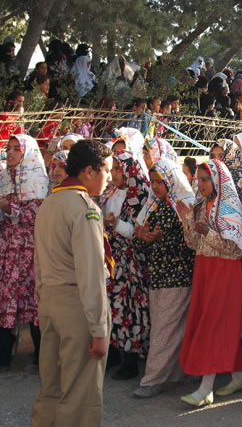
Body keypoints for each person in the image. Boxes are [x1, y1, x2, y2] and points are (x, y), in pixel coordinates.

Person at [32, 140, 113, 427]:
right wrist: (99, 328)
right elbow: (90, 274)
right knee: (80, 392)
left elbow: (39, 265)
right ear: (89, 172)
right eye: (106, 170)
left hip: (51, 302)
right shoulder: (84, 209)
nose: (109, 178)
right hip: (77, 305)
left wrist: (45, 303)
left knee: (51, 388)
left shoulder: (50, 203)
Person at [177, 159, 242, 407]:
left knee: (213, 324)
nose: (199, 185)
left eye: (204, 179)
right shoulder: (202, 206)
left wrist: (206, 232)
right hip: (205, 270)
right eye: (197, 180)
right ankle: (237, 377)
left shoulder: (230, 208)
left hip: (225, 273)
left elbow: (233, 247)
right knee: (213, 322)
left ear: (216, 180)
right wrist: (188, 220)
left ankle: (205, 388)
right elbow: (192, 243)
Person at [0, 134, 48, 372]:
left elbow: (36, 217)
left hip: (30, 250)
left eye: (17, 148)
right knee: (4, 299)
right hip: (9, 250)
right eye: (9, 148)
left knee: (35, 302)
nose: (12, 152)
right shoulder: (4, 178)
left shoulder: (38, 180)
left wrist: (9, 207)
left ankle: (41, 357)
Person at [132, 159, 196, 398]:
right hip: (158, 276)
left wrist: (160, 239)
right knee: (166, 327)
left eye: (160, 181)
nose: (156, 186)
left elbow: (189, 243)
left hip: (177, 276)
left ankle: (152, 380)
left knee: (164, 330)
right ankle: (175, 374)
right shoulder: (153, 206)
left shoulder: (181, 206)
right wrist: (142, 236)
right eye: (154, 182)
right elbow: (144, 238)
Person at [100, 150, 151, 380]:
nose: (113, 174)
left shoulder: (140, 194)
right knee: (112, 307)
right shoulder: (111, 192)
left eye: (118, 170)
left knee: (129, 308)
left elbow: (137, 231)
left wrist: (116, 223)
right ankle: (112, 354)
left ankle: (130, 360)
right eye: (111, 170)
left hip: (131, 262)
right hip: (112, 259)